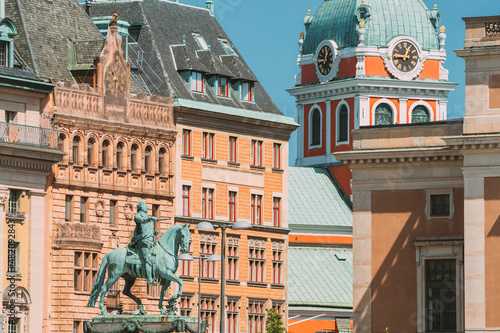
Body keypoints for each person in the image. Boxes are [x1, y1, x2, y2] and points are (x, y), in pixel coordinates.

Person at [129, 200, 159, 285]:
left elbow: (146, 231)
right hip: (142, 242)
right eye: (145, 206)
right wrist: (150, 218)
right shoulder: (138, 216)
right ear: (141, 207)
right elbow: (142, 221)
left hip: (150, 242)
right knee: (148, 258)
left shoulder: (147, 216)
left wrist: (153, 232)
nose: (147, 207)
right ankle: (149, 279)